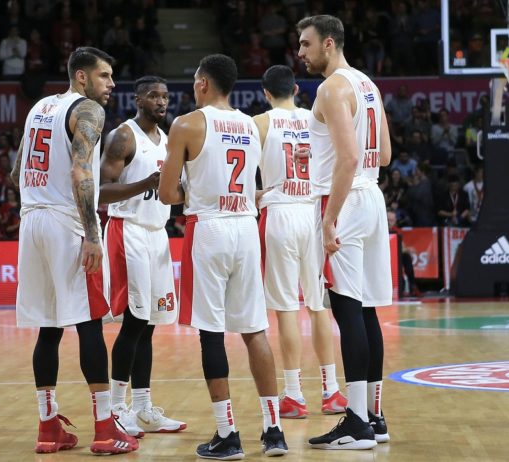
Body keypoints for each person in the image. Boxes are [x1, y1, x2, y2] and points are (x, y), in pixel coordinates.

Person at [159, 54, 288, 459]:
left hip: (209, 228)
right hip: (246, 227)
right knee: (255, 330)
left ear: (202, 83)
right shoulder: (251, 124)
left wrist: (192, 188)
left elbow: (166, 194)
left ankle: (228, 433)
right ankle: (274, 431)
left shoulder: (186, 124)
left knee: (211, 332)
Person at [9, 47, 137, 455]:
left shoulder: (39, 108)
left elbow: (16, 171)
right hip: (66, 223)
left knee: (48, 328)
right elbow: (80, 171)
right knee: (89, 323)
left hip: (32, 220)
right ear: (81, 77)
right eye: (104, 76)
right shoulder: (88, 110)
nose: (111, 84)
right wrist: (92, 233)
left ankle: (48, 427)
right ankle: (105, 428)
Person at [297, 15, 392, 449]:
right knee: (366, 308)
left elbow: (349, 158)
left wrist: (329, 218)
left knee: (347, 308)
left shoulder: (331, 88)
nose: (301, 52)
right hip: (372, 197)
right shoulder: (367, 84)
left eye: (306, 44)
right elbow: (383, 154)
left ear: (329, 43)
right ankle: (374, 415)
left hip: (345, 200)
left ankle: (355, 422)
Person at [253, 64, 347, 419]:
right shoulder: (316, 119)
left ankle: (293, 394)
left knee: (286, 309)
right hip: (312, 212)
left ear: (265, 93)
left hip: (279, 213)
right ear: (295, 89)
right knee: (319, 305)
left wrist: (255, 194)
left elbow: (242, 174)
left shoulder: (259, 123)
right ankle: (331, 390)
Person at [99, 75, 186, 436]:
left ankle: (143, 408)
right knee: (134, 322)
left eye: (165, 96)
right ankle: (116, 408)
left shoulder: (168, 140)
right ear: (137, 99)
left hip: (157, 233)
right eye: (153, 96)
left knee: (149, 325)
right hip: (128, 230)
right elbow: (101, 191)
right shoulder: (123, 135)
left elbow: (171, 193)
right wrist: (145, 184)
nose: (161, 102)